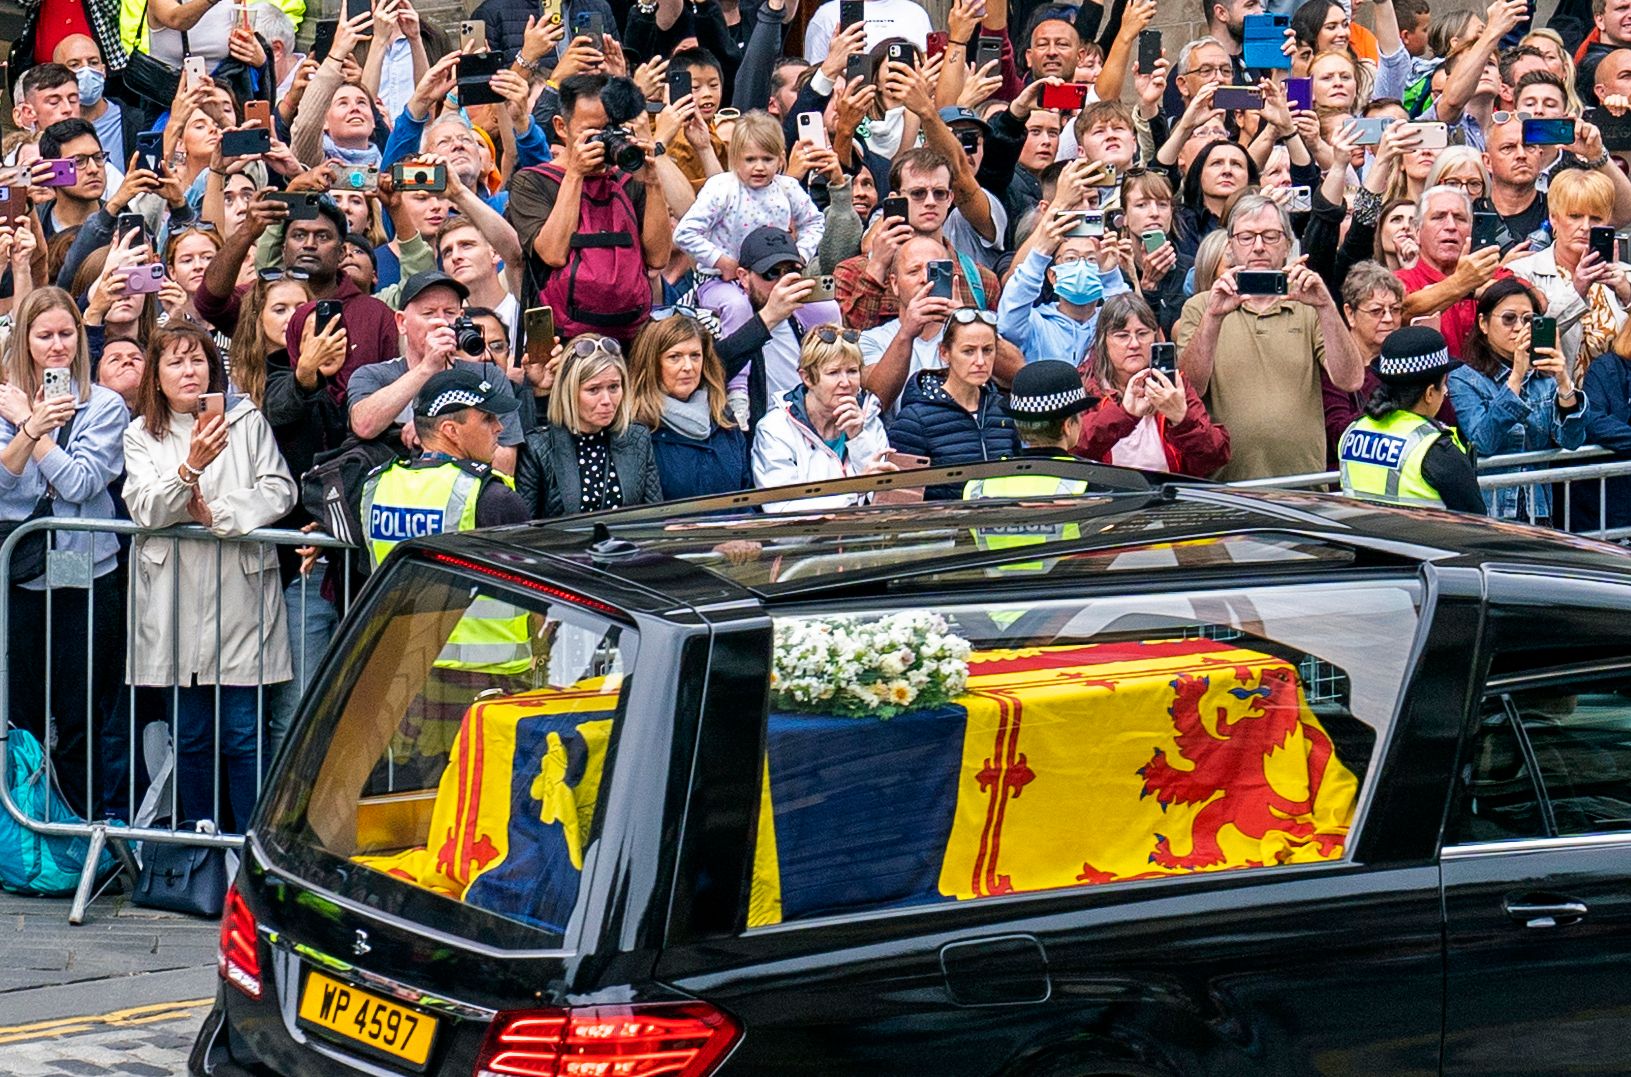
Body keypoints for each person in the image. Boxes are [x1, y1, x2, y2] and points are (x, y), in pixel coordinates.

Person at [121, 323, 296, 832]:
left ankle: (249, 853)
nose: (188, 370)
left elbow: (279, 490)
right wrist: (188, 471)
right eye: (174, 362)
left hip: (239, 595)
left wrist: (217, 514)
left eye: (196, 360)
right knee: (191, 735)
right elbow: (144, 508)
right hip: (173, 601)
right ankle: (196, 854)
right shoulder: (140, 434)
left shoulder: (246, 422)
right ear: (155, 375)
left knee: (243, 733)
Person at [0, 288, 126, 818]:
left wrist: (38, 433)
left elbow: (79, 483)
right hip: (26, 574)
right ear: (24, 341)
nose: (56, 345)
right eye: (44, 335)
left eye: (66, 334)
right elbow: (5, 490)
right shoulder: (7, 402)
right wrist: (27, 425)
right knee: (23, 713)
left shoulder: (104, 404)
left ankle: (78, 831)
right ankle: (26, 832)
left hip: (90, 575)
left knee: (81, 714)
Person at [1175, 194, 1365, 481]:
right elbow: (1191, 390)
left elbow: (1350, 380)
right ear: (1230, 247)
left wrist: (1326, 305)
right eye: (1247, 237)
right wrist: (1213, 317)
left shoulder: (1310, 305)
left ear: (1289, 245)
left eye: (1271, 236)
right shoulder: (1201, 306)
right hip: (1227, 490)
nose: (1259, 247)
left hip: (1302, 486)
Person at [506, 74, 672, 346]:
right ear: (561, 126)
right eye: (595, 132)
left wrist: (652, 182)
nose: (607, 141)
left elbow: (657, 258)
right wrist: (575, 174)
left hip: (630, 333)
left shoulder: (629, 180)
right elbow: (552, 254)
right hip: (562, 339)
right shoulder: (531, 181)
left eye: (613, 130)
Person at [347, 271, 527, 475]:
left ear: (461, 319)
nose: (441, 322)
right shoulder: (373, 375)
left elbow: (505, 465)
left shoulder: (488, 376)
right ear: (401, 322)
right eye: (429, 313)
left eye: (449, 313)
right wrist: (427, 368)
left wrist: (432, 435)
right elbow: (363, 425)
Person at [359, 367, 531, 573]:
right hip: (470, 606)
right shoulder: (493, 497)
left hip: (394, 604)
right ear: (451, 431)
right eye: (487, 418)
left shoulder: (376, 484)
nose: (499, 427)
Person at [1446, 277, 1589, 523]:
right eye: (1508, 318)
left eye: (1528, 320)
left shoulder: (1543, 379)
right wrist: (1516, 377)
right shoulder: (1464, 378)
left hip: (1538, 509)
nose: (1519, 328)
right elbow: (1483, 441)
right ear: (1483, 323)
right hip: (1489, 510)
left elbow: (1572, 440)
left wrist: (1564, 380)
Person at [1078, 294, 1230, 477]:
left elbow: (1216, 456)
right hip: (1108, 499)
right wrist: (1123, 415)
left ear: (1156, 336)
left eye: (1142, 334)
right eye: (1122, 336)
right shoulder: (1086, 386)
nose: (1134, 344)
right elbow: (1072, 448)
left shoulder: (1173, 384)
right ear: (1104, 341)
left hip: (1167, 498)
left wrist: (1182, 419)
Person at [1337, 325, 1484, 513]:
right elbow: (1477, 520)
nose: (1446, 392)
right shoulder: (1434, 448)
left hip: (1364, 541)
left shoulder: (1353, 431)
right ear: (1430, 393)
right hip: (1424, 542)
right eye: (1444, 385)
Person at [752, 324, 894, 512]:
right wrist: (854, 491)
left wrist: (859, 439)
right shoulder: (776, 429)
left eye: (852, 371)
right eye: (833, 373)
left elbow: (886, 500)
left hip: (864, 538)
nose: (845, 383)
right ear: (807, 378)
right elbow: (781, 511)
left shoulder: (868, 419)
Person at [517, 336, 664, 516]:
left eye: (614, 387)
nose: (607, 401)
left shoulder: (637, 438)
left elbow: (653, 518)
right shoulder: (537, 448)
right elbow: (525, 530)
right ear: (569, 391)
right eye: (593, 390)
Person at [1505, 168, 1630, 376]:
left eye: (1596, 218)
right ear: (1554, 218)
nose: (1585, 226)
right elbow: (1524, 343)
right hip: (1552, 400)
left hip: (1614, 405)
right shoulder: (1523, 273)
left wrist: (1627, 295)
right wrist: (1577, 291)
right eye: (1575, 216)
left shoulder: (1626, 277)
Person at [885, 308, 1017, 499]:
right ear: (944, 353)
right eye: (968, 351)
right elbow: (899, 500)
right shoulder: (915, 419)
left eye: (987, 350)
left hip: (1000, 525)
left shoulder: (1003, 410)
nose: (980, 361)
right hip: (944, 526)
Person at [627, 315, 752, 501]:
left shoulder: (723, 417)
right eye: (674, 357)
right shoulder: (636, 430)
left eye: (695, 356)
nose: (688, 367)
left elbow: (746, 494)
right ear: (652, 363)